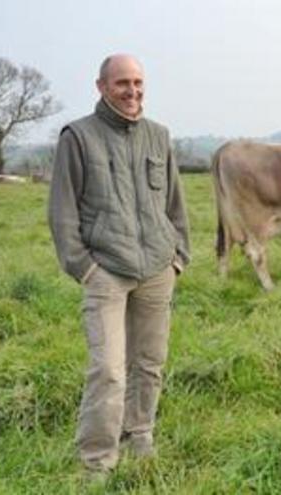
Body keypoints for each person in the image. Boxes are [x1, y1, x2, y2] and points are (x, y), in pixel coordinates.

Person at [48, 54, 190, 477]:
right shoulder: (78, 137)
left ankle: (140, 435)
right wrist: (84, 267)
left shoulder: (158, 136)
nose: (133, 91)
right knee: (108, 370)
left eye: (139, 83)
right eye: (123, 83)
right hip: (106, 271)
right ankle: (97, 463)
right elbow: (61, 211)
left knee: (149, 362)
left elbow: (176, 205)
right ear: (101, 86)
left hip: (157, 269)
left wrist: (178, 257)